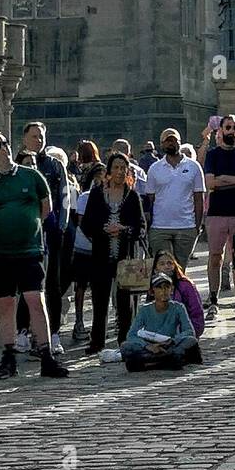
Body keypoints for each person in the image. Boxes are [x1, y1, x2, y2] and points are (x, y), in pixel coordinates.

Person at [0, 131, 68, 380]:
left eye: (5, 143)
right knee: (5, 305)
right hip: (0, 255)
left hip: (30, 251)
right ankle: (9, 356)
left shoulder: (32, 176)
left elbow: (46, 209)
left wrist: (26, 226)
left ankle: (46, 355)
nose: (3, 148)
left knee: (36, 300)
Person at [81, 151, 146, 354]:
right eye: (116, 167)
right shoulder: (98, 194)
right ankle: (97, 340)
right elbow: (86, 223)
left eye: (122, 168)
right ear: (109, 171)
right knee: (100, 299)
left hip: (124, 257)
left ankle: (125, 338)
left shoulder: (132, 196)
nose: (119, 171)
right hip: (101, 254)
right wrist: (103, 229)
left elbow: (141, 226)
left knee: (125, 301)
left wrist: (125, 230)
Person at [20, 122, 71, 356]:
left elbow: (64, 198)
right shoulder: (18, 165)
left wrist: (60, 227)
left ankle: (53, 333)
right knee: (26, 283)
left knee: (52, 284)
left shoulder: (54, 165)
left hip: (50, 233)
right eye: (34, 137)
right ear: (24, 139)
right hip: (25, 235)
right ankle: (23, 331)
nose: (38, 141)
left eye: (41, 137)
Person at [201, 114, 235, 322]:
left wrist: (225, 179)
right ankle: (213, 300)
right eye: (228, 127)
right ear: (220, 130)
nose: (231, 131)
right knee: (215, 257)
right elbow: (210, 183)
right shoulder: (213, 155)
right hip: (216, 213)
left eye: (234, 127)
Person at [144, 128, 205, 270]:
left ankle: (179, 293)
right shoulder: (154, 168)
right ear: (161, 144)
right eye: (167, 141)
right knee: (163, 270)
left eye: (173, 140)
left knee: (179, 271)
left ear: (179, 142)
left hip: (186, 227)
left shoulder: (194, 167)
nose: (170, 143)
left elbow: (199, 198)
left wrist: (197, 226)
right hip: (160, 228)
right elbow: (150, 199)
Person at [120, 272, 198, 371]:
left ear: (171, 290)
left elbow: (189, 332)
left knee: (191, 341)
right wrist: (148, 346)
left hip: (169, 344)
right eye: (159, 288)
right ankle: (163, 361)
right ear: (152, 292)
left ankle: (155, 362)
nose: (164, 291)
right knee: (125, 346)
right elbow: (131, 335)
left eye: (167, 287)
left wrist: (172, 340)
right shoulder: (145, 310)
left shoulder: (178, 307)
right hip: (151, 346)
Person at [69, 161, 105, 342]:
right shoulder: (84, 197)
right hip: (84, 248)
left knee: (100, 288)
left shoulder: (109, 196)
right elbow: (82, 223)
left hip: (100, 250)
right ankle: (79, 322)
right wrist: (96, 239)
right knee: (81, 287)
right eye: (96, 179)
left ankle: (98, 324)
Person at [150, 251, 205, 349]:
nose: (166, 266)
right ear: (155, 269)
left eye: (170, 263)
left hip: (182, 333)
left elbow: (197, 314)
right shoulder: (151, 289)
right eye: (162, 264)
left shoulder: (185, 285)